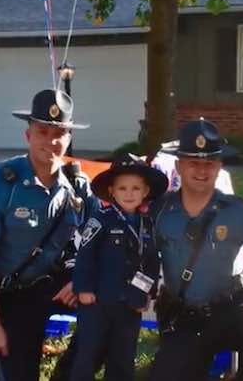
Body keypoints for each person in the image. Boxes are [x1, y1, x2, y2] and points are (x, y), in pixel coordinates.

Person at [0, 88, 95, 380]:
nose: (51, 141)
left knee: (107, 313)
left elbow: (100, 239)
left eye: (59, 133)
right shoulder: (2, 182)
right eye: (42, 132)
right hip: (13, 291)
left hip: (56, 282)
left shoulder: (77, 184)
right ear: (28, 135)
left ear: (68, 138)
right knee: (18, 370)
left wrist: (82, 278)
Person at [148, 119, 243, 381]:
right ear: (179, 166)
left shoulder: (236, 212)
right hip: (184, 318)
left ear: (219, 166)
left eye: (209, 163)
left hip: (231, 311)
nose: (202, 170)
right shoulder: (160, 211)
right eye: (193, 162)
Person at [70, 154, 167, 381]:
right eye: (122, 188)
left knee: (123, 356)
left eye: (136, 188)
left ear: (145, 192)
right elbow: (85, 255)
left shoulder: (147, 224)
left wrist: (146, 292)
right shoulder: (100, 219)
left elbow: (152, 261)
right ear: (111, 191)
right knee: (88, 354)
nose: (129, 194)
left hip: (130, 304)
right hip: (97, 302)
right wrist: (83, 288)